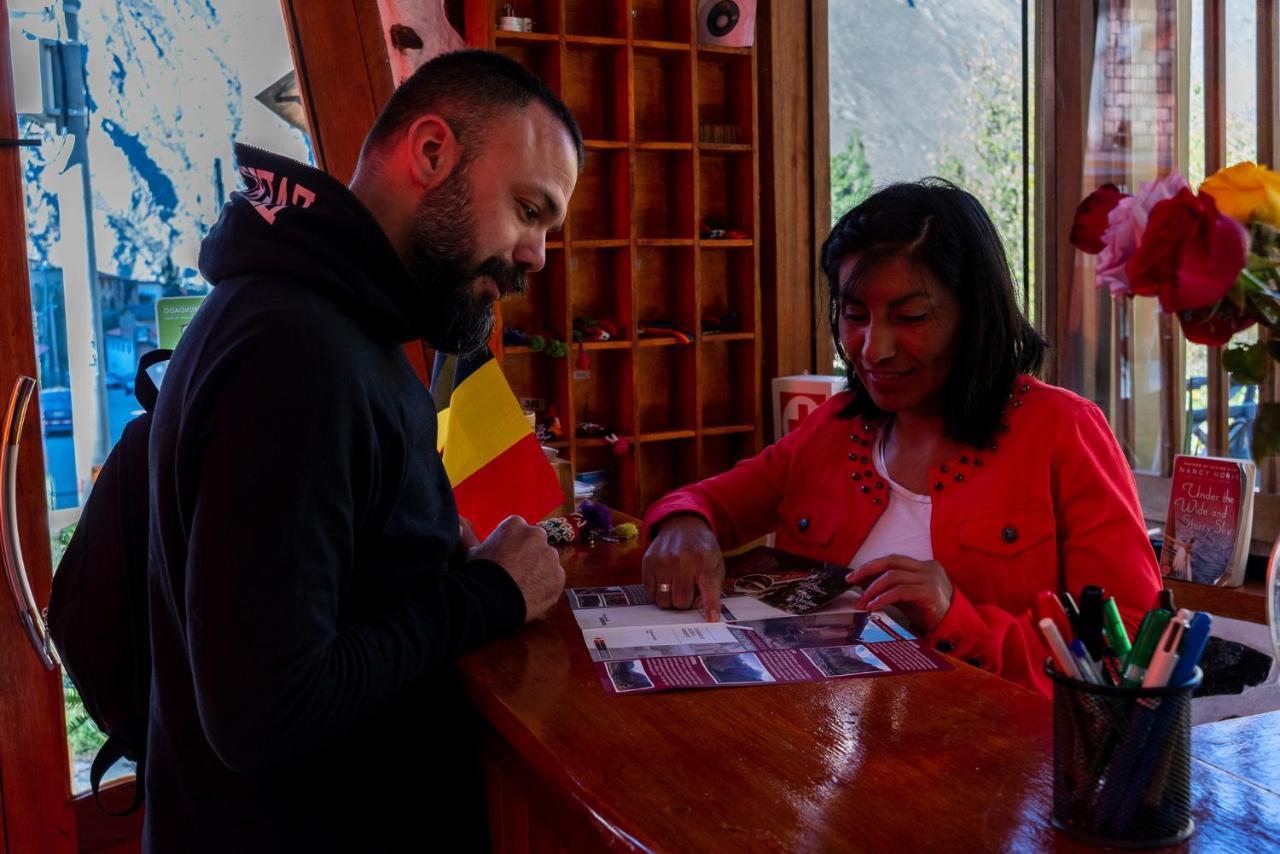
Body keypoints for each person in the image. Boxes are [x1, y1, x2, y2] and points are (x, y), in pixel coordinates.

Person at [146, 50, 581, 851]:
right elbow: (264, 712)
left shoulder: (342, 324)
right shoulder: (297, 350)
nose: (536, 256)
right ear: (430, 153)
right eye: (529, 209)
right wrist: (491, 593)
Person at [641, 179, 1161, 697]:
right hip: (828, 750)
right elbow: (715, 502)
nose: (873, 350)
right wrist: (686, 522)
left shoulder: (1061, 431)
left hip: (1004, 768)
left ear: (973, 316)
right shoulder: (836, 426)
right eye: (854, 315)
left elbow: (1130, 648)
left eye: (910, 317)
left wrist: (955, 618)